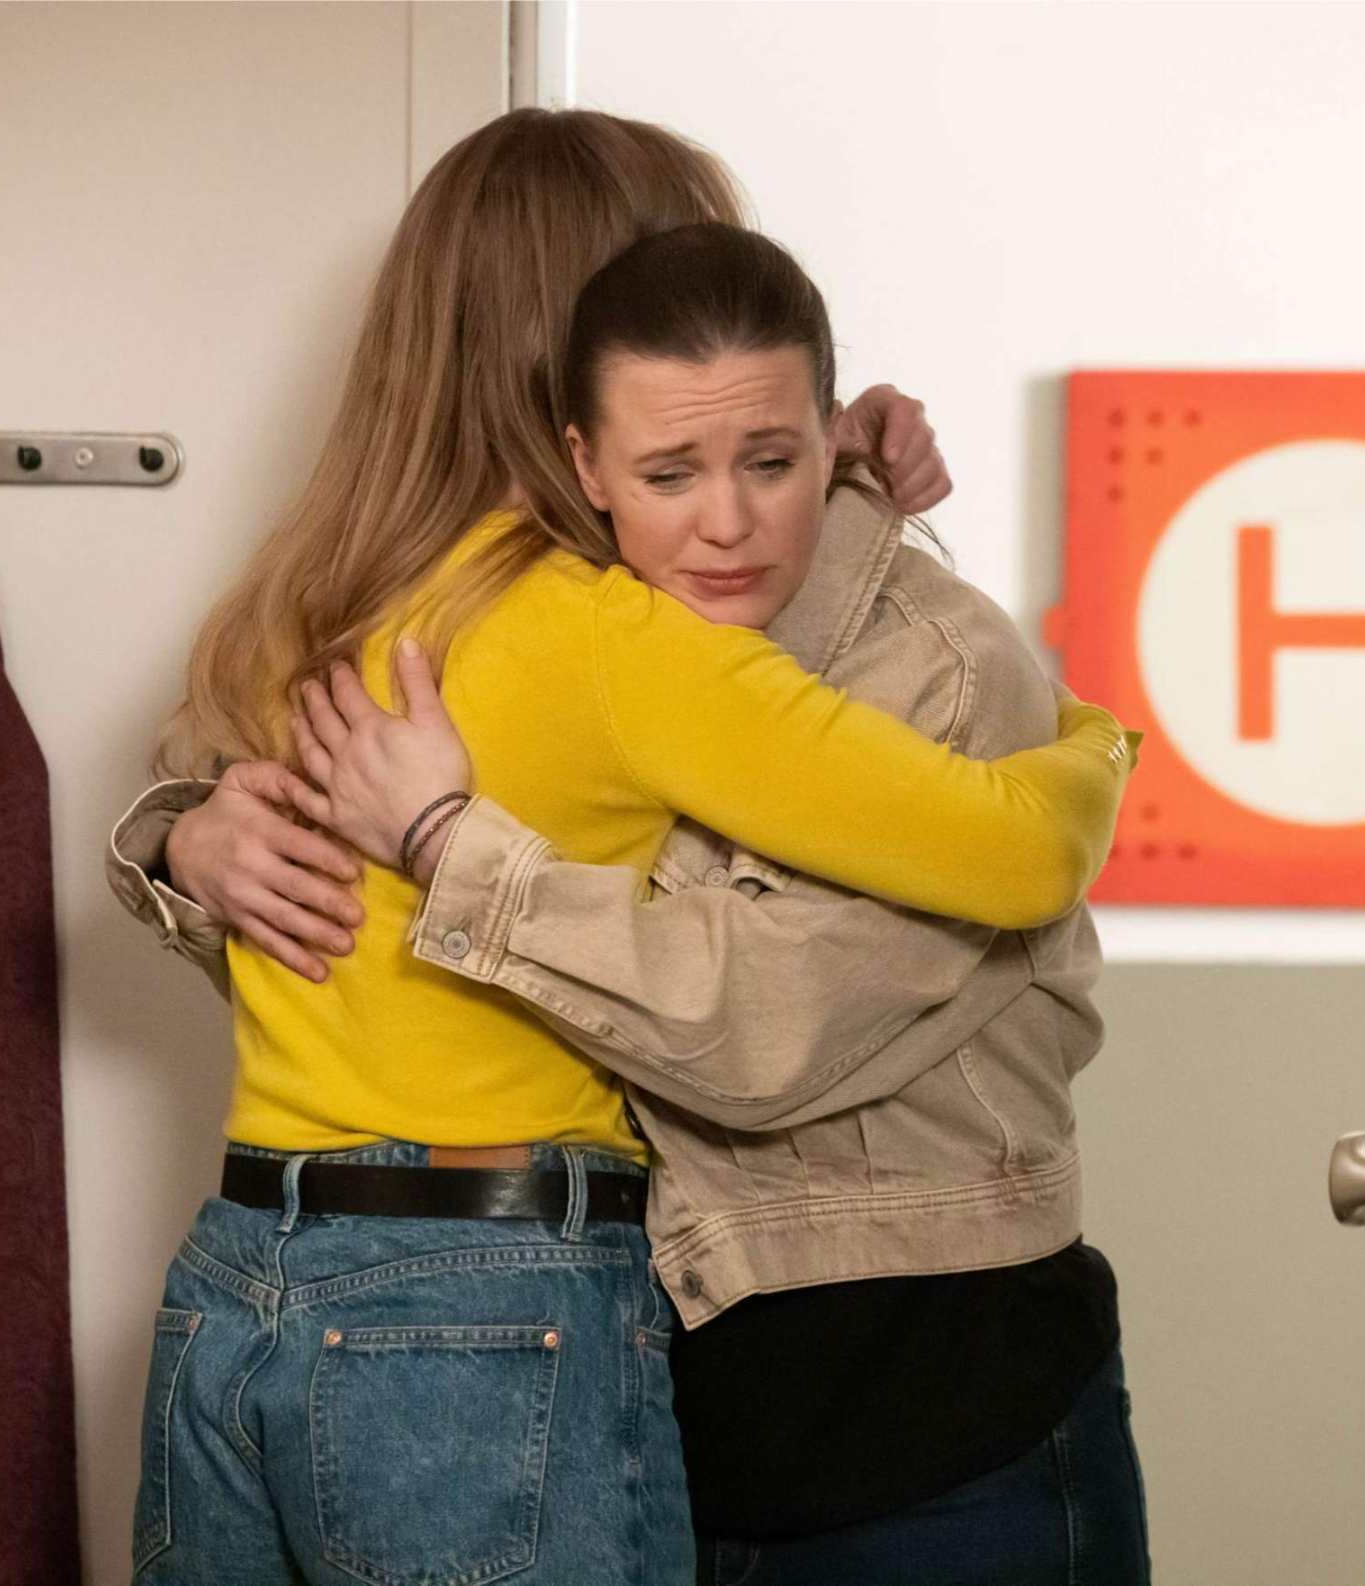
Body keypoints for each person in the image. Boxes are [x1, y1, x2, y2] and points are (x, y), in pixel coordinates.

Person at [103, 113, 1136, 1586]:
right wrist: (186, 837)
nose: (725, 510)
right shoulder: (536, 632)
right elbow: (303, 893)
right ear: (580, 399)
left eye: (763, 447)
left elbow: (763, 1034)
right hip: (597, 1381)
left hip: (923, 1424)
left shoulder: (903, 654)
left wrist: (447, 845)